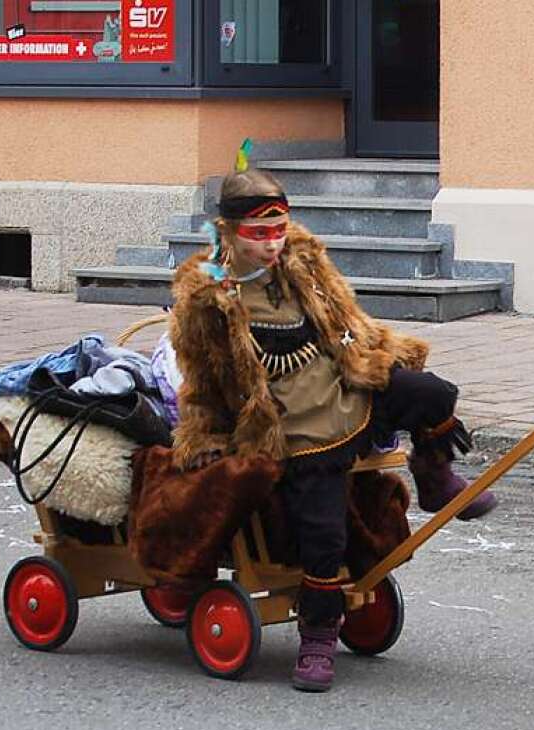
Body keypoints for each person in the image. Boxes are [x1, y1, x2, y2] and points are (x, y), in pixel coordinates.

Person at [170, 161, 496, 692]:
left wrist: (380, 358)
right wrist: (209, 437)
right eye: (259, 235)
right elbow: (203, 380)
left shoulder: (303, 257)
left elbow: (349, 322)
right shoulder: (207, 295)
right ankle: (318, 634)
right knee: (323, 527)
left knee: (431, 391)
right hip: (284, 421)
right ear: (227, 231)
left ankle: (434, 476)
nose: (272, 244)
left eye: (278, 231)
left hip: (342, 381)